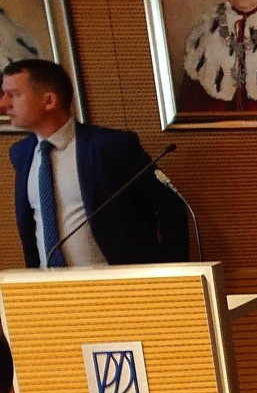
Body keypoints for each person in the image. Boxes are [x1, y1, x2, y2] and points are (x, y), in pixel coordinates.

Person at [3, 59, 189, 268]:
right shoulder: (21, 153)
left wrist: (172, 270)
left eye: (14, 95)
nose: (4, 104)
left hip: (117, 280)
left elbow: (170, 207)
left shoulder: (112, 147)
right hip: (50, 283)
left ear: (49, 101)